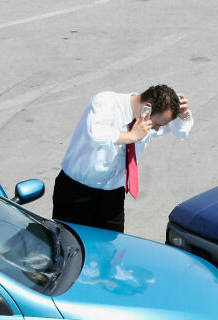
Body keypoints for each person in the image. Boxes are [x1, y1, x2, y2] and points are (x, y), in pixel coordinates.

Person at [53, 84, 193, 233]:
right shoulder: (105, 102)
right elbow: (94, 134)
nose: (157, 129)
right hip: (76, 193)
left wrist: (184, 115)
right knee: (68, 248)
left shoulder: (146, 120)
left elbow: (181, 133)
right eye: (157, 124)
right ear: (147, 108)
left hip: (112, 197)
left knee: (113, 250)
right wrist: (132, 136)